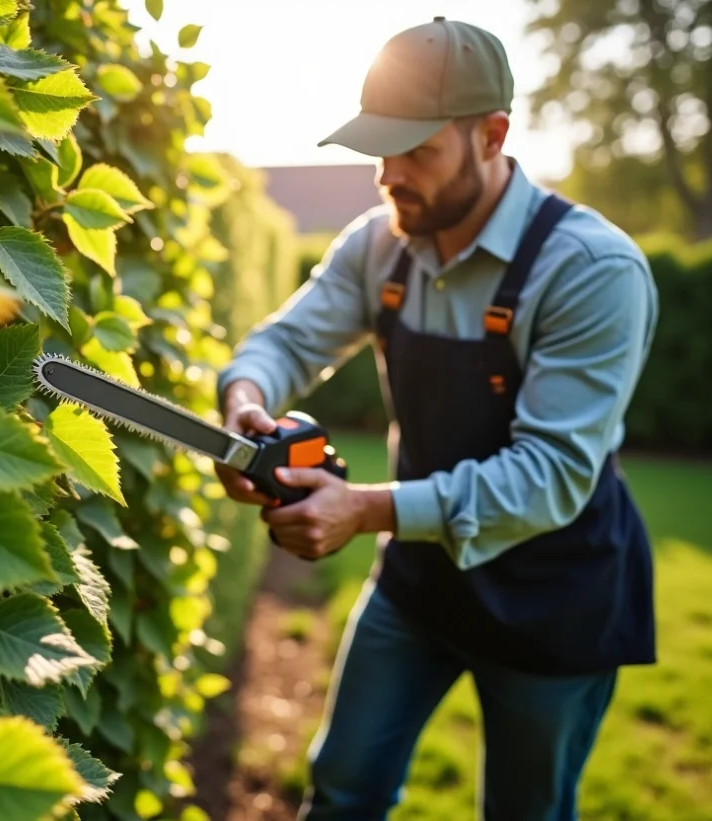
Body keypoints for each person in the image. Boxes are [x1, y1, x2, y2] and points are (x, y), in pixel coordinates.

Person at [213, 16, 659, 821]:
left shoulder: (592, 270)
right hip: (418, 581)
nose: (390, 175)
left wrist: (365, 509)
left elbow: (550, 476)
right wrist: (247, 406)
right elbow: (284, 341)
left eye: (418, 150)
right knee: (343, 787)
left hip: (553, 596)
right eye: (381, 149)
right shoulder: (378, 246)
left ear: (493, 136)